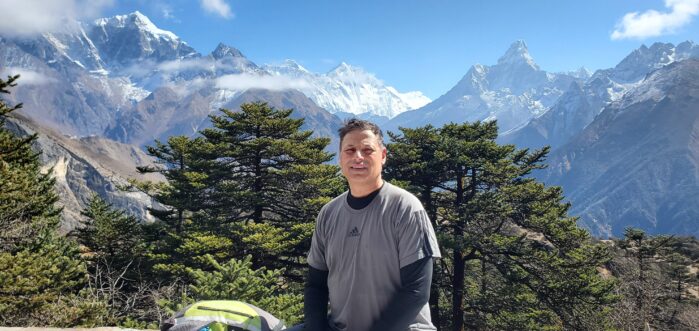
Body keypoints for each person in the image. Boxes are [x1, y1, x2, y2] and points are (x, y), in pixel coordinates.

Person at [290, 119, 441, 331]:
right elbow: (316, 286)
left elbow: (416, 291)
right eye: (350, 150)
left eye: (367, 150)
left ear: (383, 156)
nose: (357, 157)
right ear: (340, 159)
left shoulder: (406, 208)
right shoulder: (328, 213)